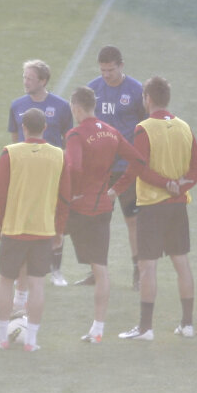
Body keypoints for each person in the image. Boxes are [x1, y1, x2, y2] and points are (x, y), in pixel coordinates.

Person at [115, 76, 197, 340]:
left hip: (152, 207)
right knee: (182, 263)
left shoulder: (143, 129)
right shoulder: (184, 127)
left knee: (148, 267)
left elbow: (140, 167)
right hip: (177, 207)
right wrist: (180, 186)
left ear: (148, 99)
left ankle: (145, 328)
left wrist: (166, 184)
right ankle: (187, 325)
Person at [0, 109, 71, 352]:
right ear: (45, 128)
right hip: (43, 230)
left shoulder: (10, 153)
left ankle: (2, 338)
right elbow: (64, 197)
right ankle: (32, 341)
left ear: (23, 128)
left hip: (14, 229)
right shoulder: (58, 155)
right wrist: (59, 230)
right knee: (37, 285)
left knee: (5, 282)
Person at [63, 87, 142, 343]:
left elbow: (73, 167)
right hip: (102, 208)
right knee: (101, 269)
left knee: (40, 245)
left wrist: (72, 193)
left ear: (76, 107)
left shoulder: (75, 134)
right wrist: (117, 188)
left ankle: (22, 312)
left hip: (78, 209)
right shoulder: (111, 132)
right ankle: (97, 329)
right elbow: (138, 160)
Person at [82, 45, 146, 290]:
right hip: (99, 170)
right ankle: (95, 271)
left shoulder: (136, 90)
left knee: (132, 220)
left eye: (110, 70)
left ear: (121, 65)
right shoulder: (92, 89)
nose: (106, 75)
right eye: (103, 70)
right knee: (96, 221)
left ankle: (138, 271)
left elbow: (144, 127)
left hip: (126, 169)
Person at [8, 60, 73, 287]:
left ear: (43, 81)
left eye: (30, 78)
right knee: (25, 217)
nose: (25, 81)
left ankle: (56, 270)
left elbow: (68, 141)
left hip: (52, 174)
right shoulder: (17, 105)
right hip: (26, 175)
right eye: (24, 77)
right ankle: (23, 271)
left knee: (55, 219)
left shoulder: (62, 106)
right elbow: (15, 142)